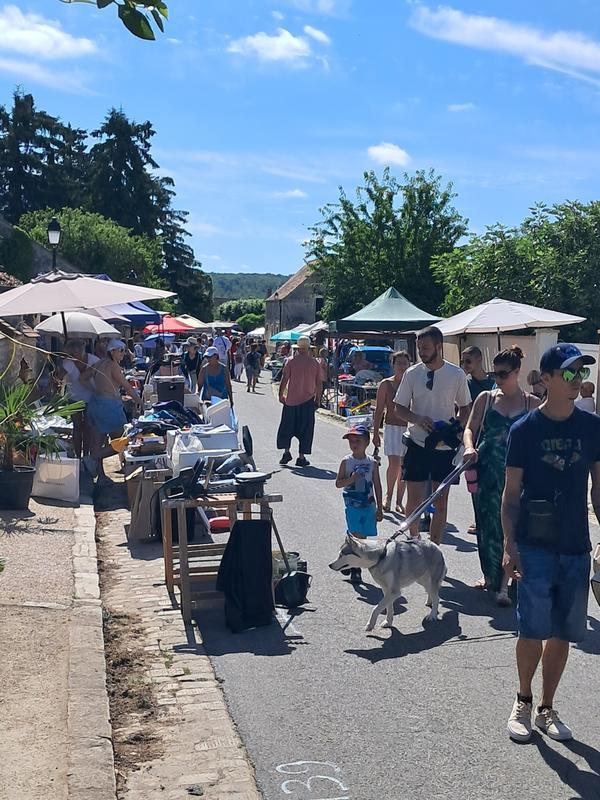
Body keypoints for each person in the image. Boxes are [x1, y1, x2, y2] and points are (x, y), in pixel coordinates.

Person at [502, 343, 600, 743]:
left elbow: (599, 490)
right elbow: (510, 495)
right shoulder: (524, 430)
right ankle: (522, 701)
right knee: (532, 628)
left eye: (581, 372)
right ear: (546, 380)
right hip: (535, 545)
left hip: (576, 545)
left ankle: (546, 707)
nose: (578, 380)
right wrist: (510, 545)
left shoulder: (592, 427)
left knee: (563, 631)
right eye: (570, 373)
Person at [463, 347, 540, 605]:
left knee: (515, 526)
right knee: (488, 527)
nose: (498, 379)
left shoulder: (532, 403)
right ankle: (492, 577)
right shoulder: (485, 398)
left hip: (519, 477)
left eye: (503, 374)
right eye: (494, 374)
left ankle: (513, 578)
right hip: (486, 473)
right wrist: (469, 446)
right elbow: (470, 429)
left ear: (517, 372)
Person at [394, 326, 471, 544]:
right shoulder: (412, 373)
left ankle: (434, 548)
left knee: (441, 500)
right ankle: (414, 542)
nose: (422, 352)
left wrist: (454, 426)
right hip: (418, 442)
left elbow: (466, 408)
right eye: (419, 348)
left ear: (438, 346)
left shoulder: (456, 374)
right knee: (415, 498)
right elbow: (399, 408)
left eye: (426, 348)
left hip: (444, 446)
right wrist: (417, 418)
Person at [83, 339, 142, 479]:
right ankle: (92, 459)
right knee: (123, 439)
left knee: (98, 441)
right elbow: (127, 387)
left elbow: (83, 378)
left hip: (96, 402)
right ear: (112, 351)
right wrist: (139, 401)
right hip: (109, 406)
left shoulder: (99, 363)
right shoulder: (113, 366)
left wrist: (95, 390)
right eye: (120, 350)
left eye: (124, 350)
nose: (123, 353)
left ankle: (101, 476)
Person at [335, 424, 383, 583]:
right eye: (351, 441)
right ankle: (355, 569)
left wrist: (380, 508)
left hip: (369, 505)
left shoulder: (372, 463)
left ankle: (348, 558)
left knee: (364, 537)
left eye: (358, 440)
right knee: (357, 536)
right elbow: (338, 483)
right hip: (352, 505)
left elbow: (377, 485)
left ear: (367, 442)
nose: (354, 444)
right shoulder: (346, 462)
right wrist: (352, 479)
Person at [372, 350, 411, 513]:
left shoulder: (412, 384)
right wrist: (374, 433)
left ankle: (399, 501)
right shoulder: (386, 384)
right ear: (393, 365)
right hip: (391, 428)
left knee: (405, 466)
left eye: (404, 363)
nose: (402, 366)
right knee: (394, 463)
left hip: (408, 428)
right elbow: (379, 409)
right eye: (398, 363)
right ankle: (388, 496)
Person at [277, 336, 322, 468]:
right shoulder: (315, 363)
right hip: (307, 400)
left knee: (287, 427)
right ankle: (301, 456)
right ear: (308, 348)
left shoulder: (291, 361)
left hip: (291, 400)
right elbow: (319, 383)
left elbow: (284, 379)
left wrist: (280, 394)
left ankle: (286, 452)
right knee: (306, 430)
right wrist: (318, 399)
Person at [61, 339, 100, 459]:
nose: (73, 357)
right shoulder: (67, 363)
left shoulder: (94, 360)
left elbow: (100, 377)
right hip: (74, 397)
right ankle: (78, 456)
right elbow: (59, 376)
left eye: (75, 354)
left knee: (88, 426)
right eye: (71, 354)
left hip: (91, 397)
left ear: (82, 351)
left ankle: (86, 455)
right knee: (77, 427)